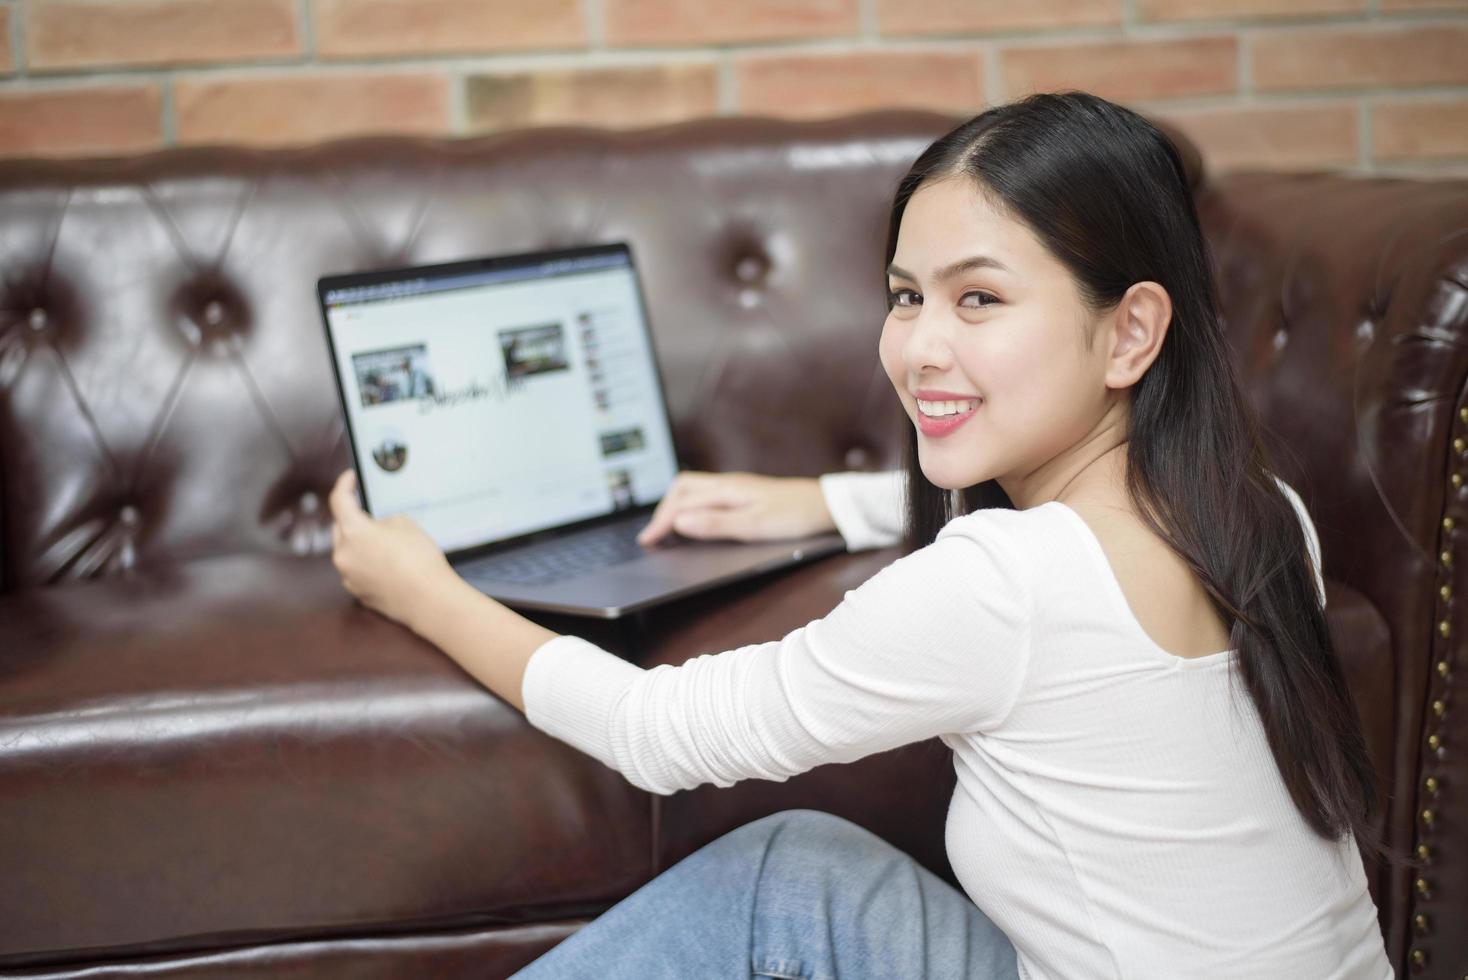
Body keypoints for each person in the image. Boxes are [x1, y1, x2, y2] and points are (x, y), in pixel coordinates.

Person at [326, 92, 1400, 978]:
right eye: (904, 296)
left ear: (1129, 331)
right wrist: (819, 501)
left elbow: (657, 730)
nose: (921, 346)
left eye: (978, 298)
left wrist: (420, 584)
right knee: (803, 864)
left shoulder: (999, 584)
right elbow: (1071, 539)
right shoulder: (1260, 511)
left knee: (770, 883)